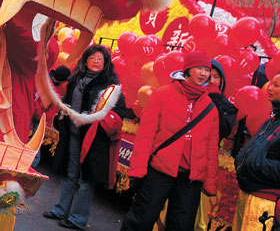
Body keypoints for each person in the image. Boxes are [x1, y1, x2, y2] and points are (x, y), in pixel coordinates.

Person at [121, 51, 219, 231]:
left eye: (207, 70)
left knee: (181, 226)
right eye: (199, 68)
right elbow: (146, 134)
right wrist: (138, 167)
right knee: (141, 220)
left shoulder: (210, 107)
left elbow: (211, 149)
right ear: (188, 69)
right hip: (159, 171)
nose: (204, 73)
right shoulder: (163, 94)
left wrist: (210, 182)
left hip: (190, 179)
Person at [43, 44, 125, 230]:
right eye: (93, 58)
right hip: (72, 134)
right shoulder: (76, 78)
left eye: (100, 59)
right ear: (85, 60)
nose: (96, 62)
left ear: (105, 63)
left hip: (93, 139)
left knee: (86, 178)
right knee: (69, 173)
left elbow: (118, 110)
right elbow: (67, 101)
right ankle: (60, 210)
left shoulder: (111, 84)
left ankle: (78, 219)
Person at [232, 73, 280, 230]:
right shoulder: (271, 120)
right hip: (249, 193)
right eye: (271, 84)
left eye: (276, 85)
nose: (270, 88)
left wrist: (256, 164)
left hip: (267, 200)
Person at [209, 59, 238, 141]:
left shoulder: (228, 106)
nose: (211, 81)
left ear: (221, 80)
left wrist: (215, 99)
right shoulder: (192, 97)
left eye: (216, 77)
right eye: (208, 76)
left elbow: (223, 131)